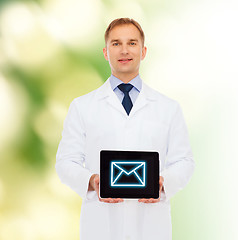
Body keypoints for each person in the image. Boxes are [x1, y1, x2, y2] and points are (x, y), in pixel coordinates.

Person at [56, 18, 195, 240]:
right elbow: (65, 162)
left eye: (131, 43)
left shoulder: (168, 108)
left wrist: (162, 183)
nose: (124, 50)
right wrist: (92, 181)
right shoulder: (82, 107)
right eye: (116, 43)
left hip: (151, 225)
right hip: (101, 225)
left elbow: (184, 162)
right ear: (105, 52)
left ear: (143, 50)